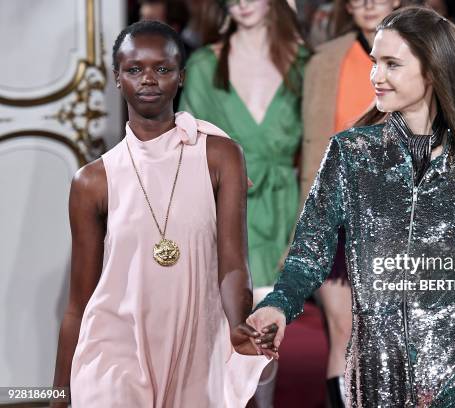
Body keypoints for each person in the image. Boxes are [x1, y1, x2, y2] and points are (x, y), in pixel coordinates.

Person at [248, 6, 455, 407]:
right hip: (380, 374)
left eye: (392, 64)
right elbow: (310, 251)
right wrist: (278, 305)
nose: (376, 77)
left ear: (432, 71)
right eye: (374, 63)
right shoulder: (350, 153)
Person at [51, 21, 277, 408]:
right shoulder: (92, 181)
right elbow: (79, 302)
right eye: (135, 69)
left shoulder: (219, 156)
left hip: (196, 343)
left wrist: (238, 321)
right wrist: (57, 396)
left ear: (181, 77)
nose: (149, 79)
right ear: (117, 78)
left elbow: (233, 264)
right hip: (114, 349)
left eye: (163, 68)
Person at [179, 0, 308, 405]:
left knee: (267, 331)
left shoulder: (306, 64)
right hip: (223, 214)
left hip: (285, 212)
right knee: (221, 335)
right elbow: (184, 150)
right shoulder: (202, 66)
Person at [300, 0, 411, 405]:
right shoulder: (324, 61)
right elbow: (312, 147)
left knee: (394, 332)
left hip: (400, 219)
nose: (367, 3)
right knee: (343, 328)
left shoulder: (423, 51)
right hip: (338, 215)